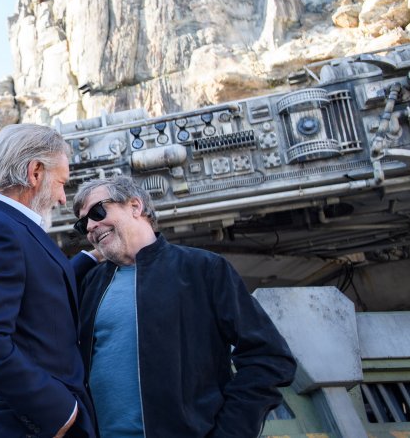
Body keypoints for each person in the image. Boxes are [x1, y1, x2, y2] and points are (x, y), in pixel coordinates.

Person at [71, 176, 296, 438]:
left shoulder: (203, 269)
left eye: (98, 211)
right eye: (82, 223)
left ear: (135, 206)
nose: (90, 226)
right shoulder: (91, 285)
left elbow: (268, 357)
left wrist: (231, 432)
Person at [0, 124, 95, 438]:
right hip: (20, 426)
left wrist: (93, 258)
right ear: (35, 172)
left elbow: (37, 289)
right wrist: (59, 411)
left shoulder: (1, 226)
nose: (63, 199)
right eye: (62, 183)